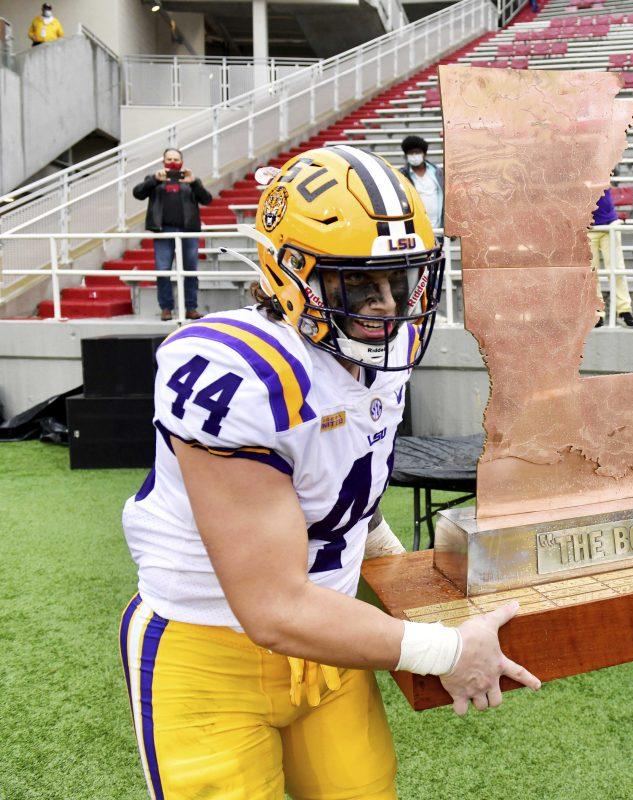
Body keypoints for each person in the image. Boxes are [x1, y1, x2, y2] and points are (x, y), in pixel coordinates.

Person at [120, 144, 540, 799]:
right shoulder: (244, 373)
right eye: (358, 285)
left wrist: (403, 577)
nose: (386, 307)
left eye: (400, 281)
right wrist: (448, 651)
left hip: (330, 642)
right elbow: (273, 609)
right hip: (210, 648)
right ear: (287, 275)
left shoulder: (379, 348)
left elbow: (347, 491)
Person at [132, 148, 213, 320]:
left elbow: (207, 199)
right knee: (163, 270)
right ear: (163, 161)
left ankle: (191, 308)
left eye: (176, 159)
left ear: (182, 162)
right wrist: (154, 180)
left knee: (190, 270)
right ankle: (166, 308)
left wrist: (194, 183)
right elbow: (137, 193)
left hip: (188, 231)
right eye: (169, 159)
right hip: (164, 231)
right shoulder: (154, 180)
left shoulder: (191, 181)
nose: (173, 162)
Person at [590, 187, 633, 328]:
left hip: (609, 223)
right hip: (585, 225)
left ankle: (624, 311)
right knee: (590, 274)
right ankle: (595, 312)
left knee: (617, 269)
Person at [398, 134, 444, 235]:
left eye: (417, 152)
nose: (414, 155)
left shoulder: (437, 173)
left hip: (438, 231)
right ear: (406, 155)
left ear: (424, 154)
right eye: (411, 153)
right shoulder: (401, 175)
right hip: (415, 231)